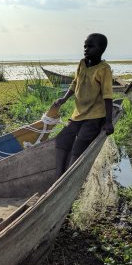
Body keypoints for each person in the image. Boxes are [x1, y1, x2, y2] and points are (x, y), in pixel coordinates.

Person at [52, 33, 114, 179]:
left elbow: (108, 96)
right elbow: (75, 83)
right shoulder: (82, 63)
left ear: (101, 49)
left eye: (90, 46)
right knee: (62, 139)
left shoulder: (104, 69)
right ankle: (57, 175)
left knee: (79, 144)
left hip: (94, 116)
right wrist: (64, 99)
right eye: (85, 46)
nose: (86, 49)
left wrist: (109, 122)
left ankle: (68, 178)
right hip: (78, 114)